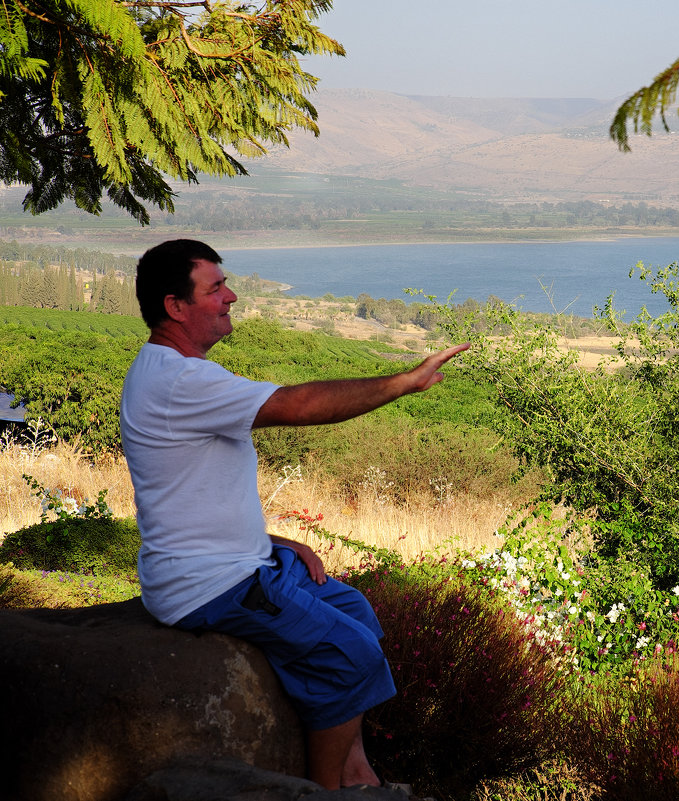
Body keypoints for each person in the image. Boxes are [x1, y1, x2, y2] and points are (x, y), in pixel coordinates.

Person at [119, 239, 468, 791]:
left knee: (356, 611)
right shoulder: (180, 381)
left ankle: (354, 766)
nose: (231, 295)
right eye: (216, 288)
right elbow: (301, 406)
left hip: (239, 562)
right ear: (175, 306)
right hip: (209, 585)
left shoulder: (174, 372)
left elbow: (186, 495)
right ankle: (324, 788)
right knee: (350, 656)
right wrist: (406, 381)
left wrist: (275, 542)